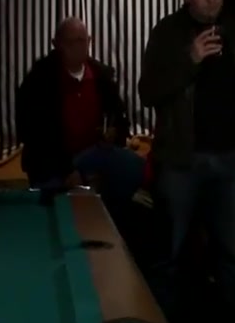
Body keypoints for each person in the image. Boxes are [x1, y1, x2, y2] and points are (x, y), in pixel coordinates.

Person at [138, 0, 235, 317]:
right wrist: (189, 59)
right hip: (183, 159)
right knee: (169, 252)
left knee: (232, 252)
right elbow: (148, 92)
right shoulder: (168, 33)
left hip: (231, 158)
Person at [15, 17, 143, 208]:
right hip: (52, 161)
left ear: (89, 42)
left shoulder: (102, 77)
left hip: (95, 154)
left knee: (133, 167)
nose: (77, 47)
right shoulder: (39, 80)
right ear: (56, 44)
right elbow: (32, 134)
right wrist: (67, 169)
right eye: (70, 42)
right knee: (56, 199)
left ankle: (111, 215)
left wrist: (114, 133)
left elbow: (120, 118)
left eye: (81, 41)